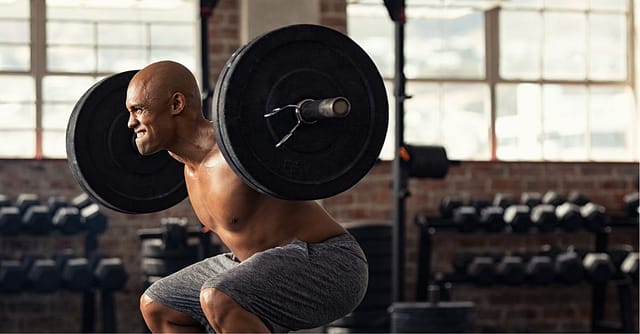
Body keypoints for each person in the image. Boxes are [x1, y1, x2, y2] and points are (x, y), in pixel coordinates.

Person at [126, 60, 368, 333]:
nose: (131, 122)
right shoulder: (189, 168)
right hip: (254, 262)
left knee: (219, 297)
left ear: (176, 105)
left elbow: (295, 148)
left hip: (329, 264)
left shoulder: (241, 147)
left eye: (138, 110)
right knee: (158, 305)